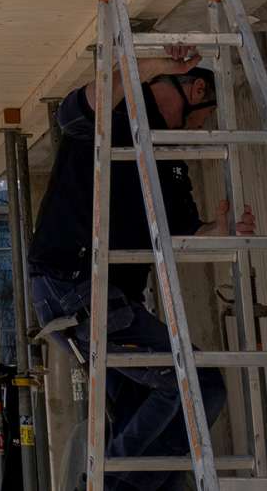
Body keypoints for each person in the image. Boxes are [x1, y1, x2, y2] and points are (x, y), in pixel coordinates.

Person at [27, 42, 245, 490]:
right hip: (75, 285)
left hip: (104, 297)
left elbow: (181, 233)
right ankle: (109, 485)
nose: (201, 126)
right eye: (204, 116)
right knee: (195, 383)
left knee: (148, 402)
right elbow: (84, 105)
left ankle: (120, 483)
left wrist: (218, 233)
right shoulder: (116, 114)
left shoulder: (164, 160)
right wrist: (155, 66)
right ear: (196, 88)